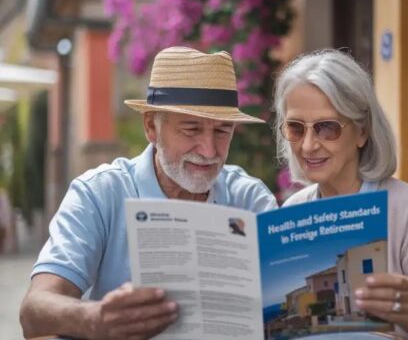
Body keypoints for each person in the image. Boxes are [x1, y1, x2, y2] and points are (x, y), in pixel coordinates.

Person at [19, 47, 277, 339]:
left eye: (222, 131)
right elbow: (33, 310)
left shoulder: (251, 199)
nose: (209, 150)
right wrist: (96, 319)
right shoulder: (99, 193)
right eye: (191, 129)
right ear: (151, 128)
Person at [274, 50, 408, 340]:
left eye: (327, 128)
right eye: (296, 128)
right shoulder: (293, 210)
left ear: (362, 132)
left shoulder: (406, 208)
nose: (308, 146)